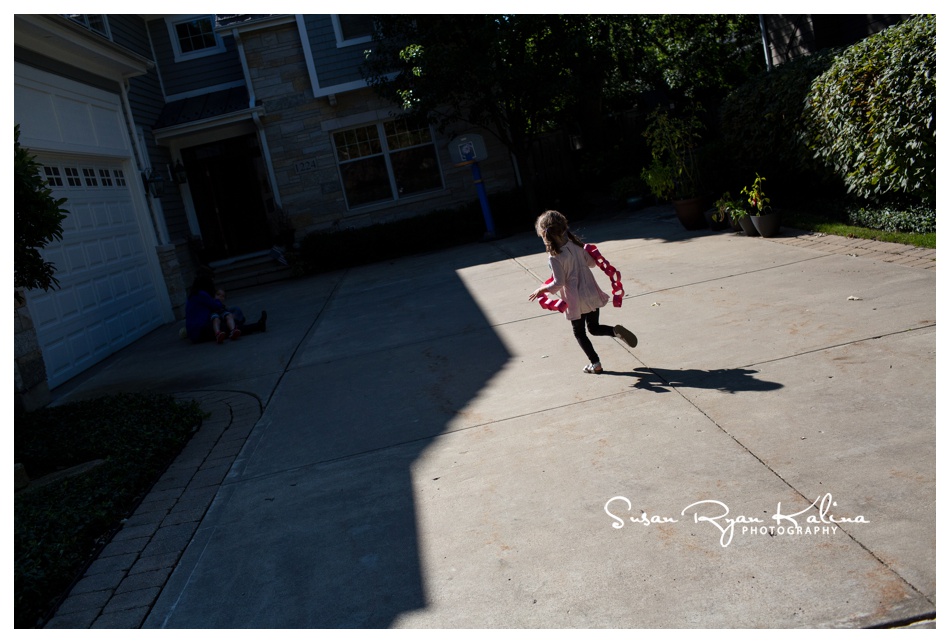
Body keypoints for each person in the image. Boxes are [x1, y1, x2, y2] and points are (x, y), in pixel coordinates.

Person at [527, 210, 638, 374]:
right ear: (565, 228)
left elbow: (559, 283)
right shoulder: (578, 246)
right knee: (594, 327)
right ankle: (613, 331)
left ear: (544, 235)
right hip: (592, 292)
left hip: (576, 300)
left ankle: (596, 364)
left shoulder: (554, 257)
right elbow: (592, 263)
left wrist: (541, 289)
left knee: (579, 333)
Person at [185, 272, 238, 344]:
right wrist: (218, 300)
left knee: (233, 310)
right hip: (200, 330)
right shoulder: (202, 294)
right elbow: (215, 306)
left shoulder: (194, 294)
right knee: (229, 321)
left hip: (195, 329)